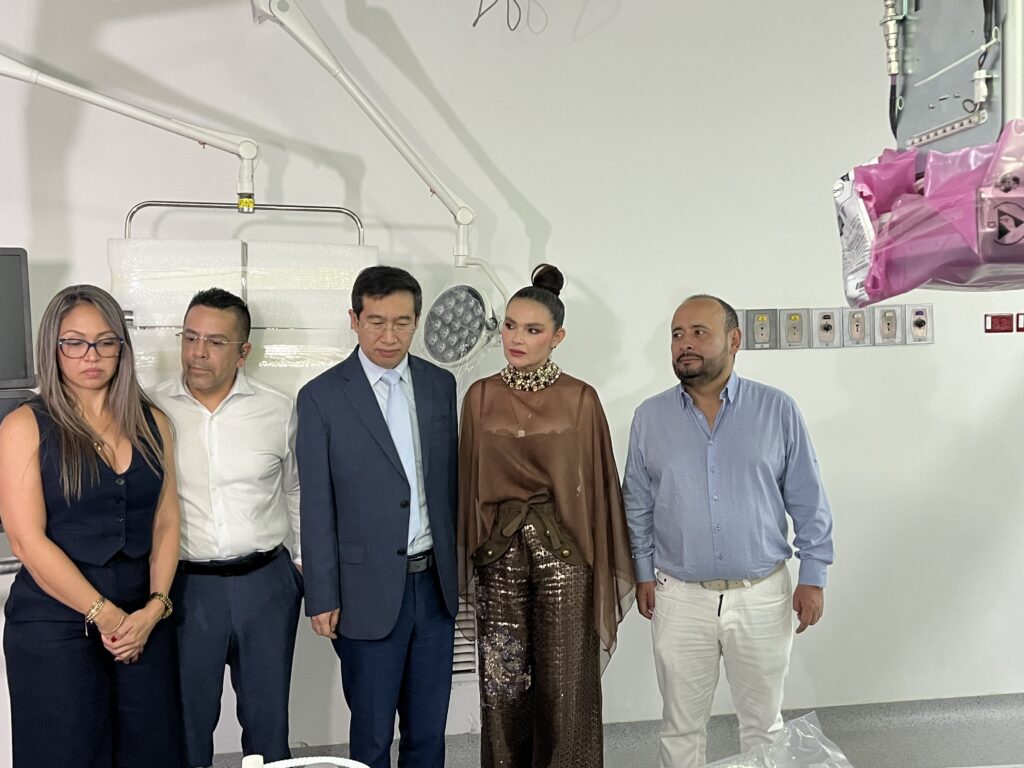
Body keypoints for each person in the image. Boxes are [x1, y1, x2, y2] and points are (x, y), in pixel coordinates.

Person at [622, 294, 835, 768]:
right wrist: (642, 571)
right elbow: (637, 502)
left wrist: (814, 575)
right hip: (679, 597)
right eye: (677, 334)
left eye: (699, 332)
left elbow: (807, 497)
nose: (685, 344)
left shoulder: (776, 410)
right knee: (680, 728)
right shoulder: (650, 418)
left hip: (762, 594)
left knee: (763, 726)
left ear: (734, 340)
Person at [458, 264, 635, 768]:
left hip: (565, 558)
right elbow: (467, 485)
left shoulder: (580, 399)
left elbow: (598, 488)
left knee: (566, 688)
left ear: (557, 337)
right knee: (503, 687)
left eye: (532, 330)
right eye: (510, 326)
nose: (516, 338)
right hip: (498, 558)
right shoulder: (480, 396)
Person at [0, 284, 181, 768]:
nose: (91, 356)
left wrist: (154, 608)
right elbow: (26, 540)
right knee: (68, 753)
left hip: (143, 620)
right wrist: (106, 616)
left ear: (122, 347)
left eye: (105, 342)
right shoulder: (24, 425)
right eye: (74, 343)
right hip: (54, 622)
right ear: (52, 348)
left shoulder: (154, 423)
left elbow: (166, 523)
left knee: (151, 751)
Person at [296, 265, 459, 768]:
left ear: (417, 321)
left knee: (428, 731)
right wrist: (322, 593)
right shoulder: (321, 397)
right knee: (370, 734)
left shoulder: (439, 385)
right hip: (363, 589)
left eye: (402, 322)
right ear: (354, 319)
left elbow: (448, 483)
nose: (390, 336)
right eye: (376, 322)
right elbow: (316, 503)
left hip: (434, 586)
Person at [150, 288, 303, 768]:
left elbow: (297, 489)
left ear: (243, 352)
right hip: (186, 589)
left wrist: (302, 566)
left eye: (215, 342)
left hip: (267, 586)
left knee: (268, 725)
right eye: (190, 337)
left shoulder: (279, 411)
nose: (198, 352)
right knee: (186, 726)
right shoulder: (150, 409)